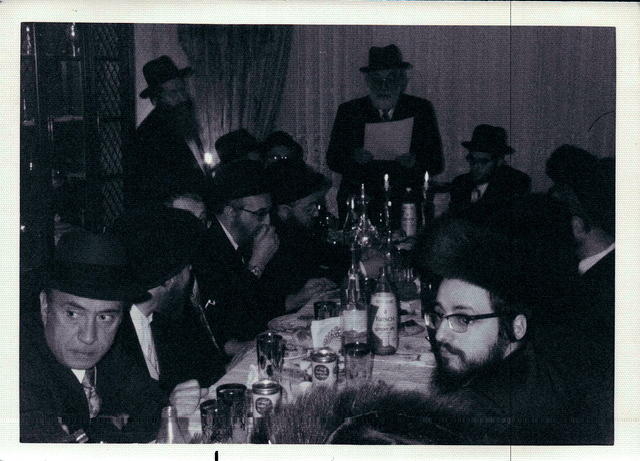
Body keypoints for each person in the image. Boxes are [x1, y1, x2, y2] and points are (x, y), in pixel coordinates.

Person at [20, 231, 203, 443]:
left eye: (105, 316)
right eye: (73, 313)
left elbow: (153, 404)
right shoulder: (18, 363)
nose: (89, 337)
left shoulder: (111, 355)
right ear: (44, 306)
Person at [110, 206, 226, 394]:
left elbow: (207, 373)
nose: (191, 274)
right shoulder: (114, 331)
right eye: (187, 268)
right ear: (170, 280)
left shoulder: (167, 318)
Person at [326, 44, 443, 220]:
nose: (384, 86)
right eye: (377, 80)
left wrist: (414, 162)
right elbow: (332, 159)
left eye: (390, 79)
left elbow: (436, 163)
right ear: (368, 81)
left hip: (406, 200)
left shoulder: (420, 109)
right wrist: (354, 157)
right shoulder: (349, 111)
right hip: (361, 199)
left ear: (401, 81)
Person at [195, 160, 281, 357]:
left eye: (269, 213)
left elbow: (263, 308)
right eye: (260, 214)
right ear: (230, 212)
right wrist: (257, 265)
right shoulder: (206, 247)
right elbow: (227, 321)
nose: (268, 222)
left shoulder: (246, 239)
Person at [123, 55, 210, 209]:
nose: (182, 98)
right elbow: (145, 190)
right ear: (157, 99)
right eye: (173, 93)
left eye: (182, 90)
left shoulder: (185, 123)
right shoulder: (146, 136)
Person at [265, 163, 343, 310]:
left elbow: (326, 255)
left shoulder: (296, 231)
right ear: (284, 211)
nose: (316, 213)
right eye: (309, 208)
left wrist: (359, 256)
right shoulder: (272, 240)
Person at [448, 124, 531, 217]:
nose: (475, 166)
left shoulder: (515, 182)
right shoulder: (460, 183)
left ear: (499, 161)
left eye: (483, 162)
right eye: (472, 159)